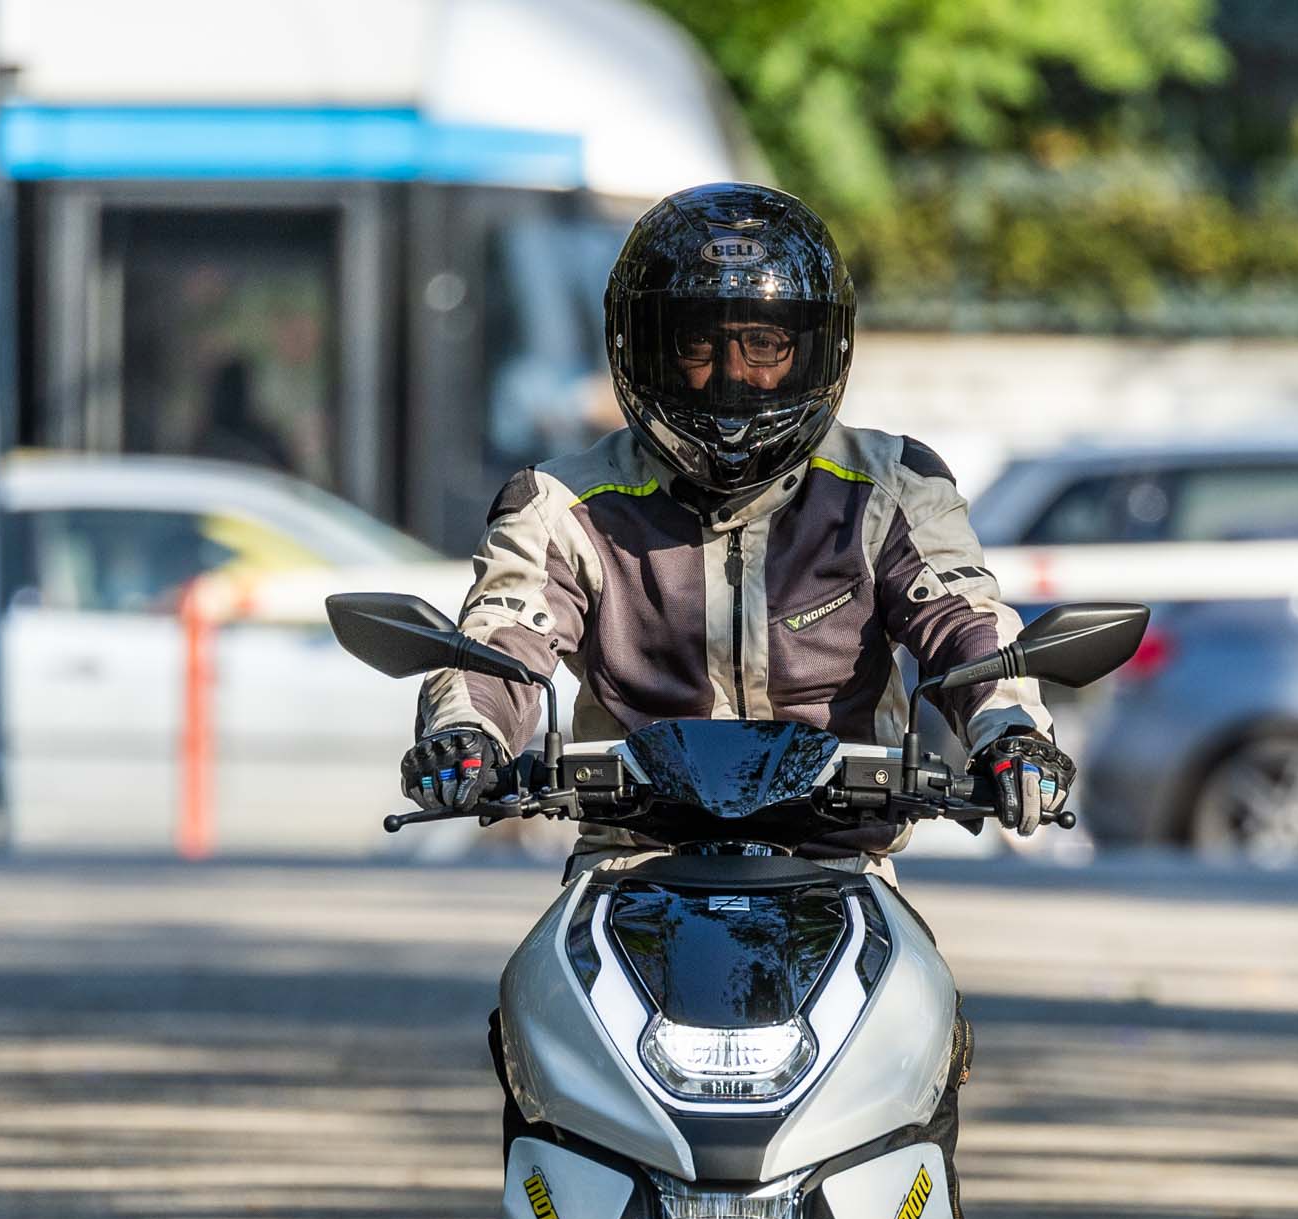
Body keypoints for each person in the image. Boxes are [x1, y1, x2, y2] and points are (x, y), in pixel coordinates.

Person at [400, 183, 1071, 865]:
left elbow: (963, 623)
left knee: (906, 948)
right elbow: (504, 636)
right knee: (552, 945)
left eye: (764, 344)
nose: (732, 375)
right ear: (641, 348)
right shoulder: (559, 502)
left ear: (818, 348)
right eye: (697, 344)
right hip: (631, 863)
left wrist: (1012, 733)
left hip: (840, 867)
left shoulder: (893, 486)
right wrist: (467, 732)